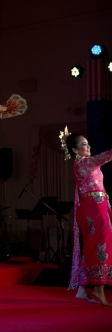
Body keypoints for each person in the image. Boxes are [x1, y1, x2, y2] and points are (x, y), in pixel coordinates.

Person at [64, 131, 112, 305]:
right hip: (93, 207)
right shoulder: (83, 163)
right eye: (84, 144)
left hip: (97, 206)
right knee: (101, 244)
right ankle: (98, 289)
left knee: (94, 245)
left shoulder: (86, 164)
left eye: (88, 143)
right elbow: (106, 156)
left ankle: (83, 289)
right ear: (75, 150)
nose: (88, 146)